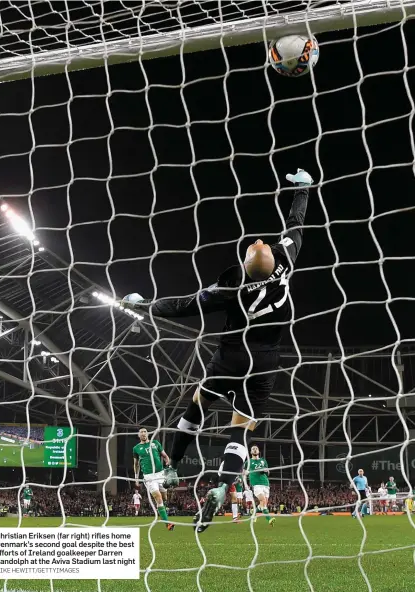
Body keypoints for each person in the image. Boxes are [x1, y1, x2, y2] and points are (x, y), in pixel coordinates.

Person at [122, 169, 313, 532]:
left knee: (198, 402)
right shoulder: (285, 261)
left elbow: (184, 305)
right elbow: (296, 224)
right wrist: (303, 189)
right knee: (241, 430)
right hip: (265, 362)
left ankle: (174, 465)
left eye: (255, 246)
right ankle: (223, 486)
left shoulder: (230, 287)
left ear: (245, 263)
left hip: (230, 356)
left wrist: (143, 304)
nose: (259, 240)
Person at [133, 428, 174, 531]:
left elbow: (165, 456)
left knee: (164, 498)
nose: (143, 433)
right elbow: (136, 464)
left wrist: (168, 465)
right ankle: (167, 523)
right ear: (138, 435)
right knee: (159, 497)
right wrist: (136, 478)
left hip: (160, 474)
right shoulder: (136, 448)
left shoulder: (155, 443)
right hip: (149, 477)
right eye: (141, 432)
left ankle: (161, 509)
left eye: (145, 431)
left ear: (147, 434)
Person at [245, 445, 275, 526]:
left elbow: (268, 472)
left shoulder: (263, 461)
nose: (255, 450)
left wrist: (265, 470)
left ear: (258, 451)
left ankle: (254, 512)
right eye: (253, 449)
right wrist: (245, 483)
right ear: (251, 452)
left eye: (256, 449)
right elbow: (243, 474)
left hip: (265, 483)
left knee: (263, 504)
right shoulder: (248, 462)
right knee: (263, 501)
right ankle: (269, 519)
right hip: (256, 484)